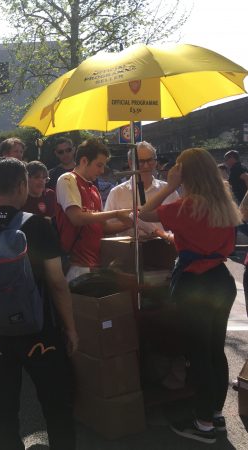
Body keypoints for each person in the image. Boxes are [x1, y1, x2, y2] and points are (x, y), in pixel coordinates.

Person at [0, 158, 78, 450]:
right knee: (56, 404)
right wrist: (71, 328)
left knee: (4, 407)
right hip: (39, 331)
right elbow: (57, 283)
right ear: (22, 185)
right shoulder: (36, 226)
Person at [139, 148, 241, 444]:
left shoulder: (184, 206)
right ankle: (215, 413)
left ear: (186, 174)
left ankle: (203, 423)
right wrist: (173, 238)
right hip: (221, 281)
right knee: (214, 350)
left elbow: (145, 213)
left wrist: (169, 185)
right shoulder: (224, 203)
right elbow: (204, 241)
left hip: (194, 283)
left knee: (197, 355)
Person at [55, 138, 133, 282]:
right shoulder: (67, 179)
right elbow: (76, 218)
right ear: (84, 161)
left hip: (96, 265)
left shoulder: (94, 190)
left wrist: (131, 222)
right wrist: (116, 213)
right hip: (76, 266)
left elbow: (103, 228)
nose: (102, 171)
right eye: (99, 165)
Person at [104, 141, 179, 238]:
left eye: (150, 160)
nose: (146, 166)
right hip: (129, 249)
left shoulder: (168, 190)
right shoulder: (117, 192)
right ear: (131, 163)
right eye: (141, 161)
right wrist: (131, 222)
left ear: (156, 162)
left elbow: (178, 223)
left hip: (164, 246)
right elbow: (106, 228)